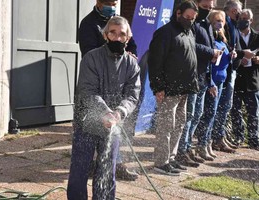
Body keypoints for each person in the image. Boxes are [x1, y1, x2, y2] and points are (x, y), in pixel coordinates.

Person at [67, 16, 141, 200]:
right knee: (80, 169)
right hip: (87, 120)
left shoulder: (132, 64)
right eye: (113, 33)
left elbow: (132, 94)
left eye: (122, 34)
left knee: (107, 170)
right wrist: (105, 112)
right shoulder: (91, 58)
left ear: (128, 38)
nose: (117, 38)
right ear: (105, 35)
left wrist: (119, 112)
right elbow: (87, 90)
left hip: (114, 122)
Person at [79, 0, 139, 181]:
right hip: (97, 83)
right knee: (90, 133)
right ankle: (89, 165)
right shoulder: (89, 23)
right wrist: (110, 55)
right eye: (108, 2)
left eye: (114, 3)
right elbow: (88, 51)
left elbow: (133, 45)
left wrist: (129, 55)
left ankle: (115, 165)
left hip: (116, 87)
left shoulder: (119, 22)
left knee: (114, 131)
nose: (112, 6)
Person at [148, 0, 199, 176]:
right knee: (166, 126)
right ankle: (160, 163)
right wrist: (158, 86)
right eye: (187, 17)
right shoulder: (164, 33)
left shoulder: (189, 32)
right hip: (168, 89)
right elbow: (154, 62)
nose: (190, 21)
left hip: (185, 88)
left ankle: (171, 158)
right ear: (178, 13)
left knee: (179, 125)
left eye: (193, 18)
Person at [176, 0, 222, 165]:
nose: (207, 10)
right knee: (188, 116)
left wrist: (210, 81)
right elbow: (188, 44)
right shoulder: (191, 23)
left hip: (203, 77)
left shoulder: (207, 25)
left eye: (210, 8)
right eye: (204, 7)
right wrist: (211, 52)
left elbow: (209, 57)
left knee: (196, 115)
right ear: (196, 4)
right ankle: (181, 151)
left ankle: (187, 147)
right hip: (191, 76)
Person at [211, 0, 255, 151]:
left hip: (231, 70)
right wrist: (242, 54)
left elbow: (235, 47)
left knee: (225, 106)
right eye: (237, 10)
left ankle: (219, 137)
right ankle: (215, 138)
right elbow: (224, 45)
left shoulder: (235, 25)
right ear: (230, 10)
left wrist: (241, 54)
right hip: (223, 71)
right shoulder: (225, 24)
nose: (240, 13)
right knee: (219, 106)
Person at [194, 10, 236, 159]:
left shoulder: (222, 39)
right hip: (210, 81)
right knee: (206, 113)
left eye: (222, 21)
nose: (219, 23)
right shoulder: (209, 39)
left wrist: (231, 56)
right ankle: (201, 144)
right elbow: (209, 64)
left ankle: (208, 143)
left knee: (213, 113)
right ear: (211, 22)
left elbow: (222, 61)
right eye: (216, 20)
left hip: (221, 80)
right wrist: (211, 81)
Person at [231, 9, 259, 150]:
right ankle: (238, 136)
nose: (243, 20)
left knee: (253, 112)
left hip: (252, 81)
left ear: (251, 20)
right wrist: (239, 59)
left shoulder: (257, 36)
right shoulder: (234, 34)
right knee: (235, 110)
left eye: (246, 18)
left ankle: (254, 139)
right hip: (237, 79)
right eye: (241, 17)